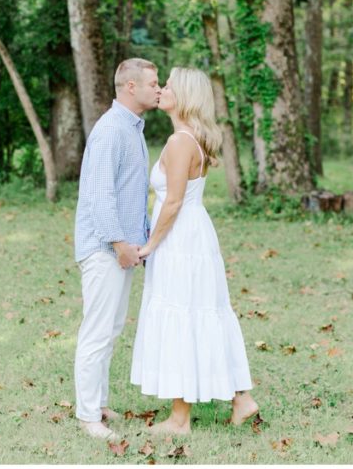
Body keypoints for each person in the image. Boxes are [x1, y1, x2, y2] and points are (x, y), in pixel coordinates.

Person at [130, 67, 258, 434]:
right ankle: (241, 398)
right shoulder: (192, 137)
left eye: (168, 85)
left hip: (179, 239)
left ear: (183, 96)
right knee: (205, 312)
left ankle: (180, 418)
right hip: (195, 234)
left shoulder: (179, 142)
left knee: (182, 315)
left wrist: (150, 245)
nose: (162, 90)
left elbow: (171, 203)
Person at [73, 58, 160, 440]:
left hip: (123, 247)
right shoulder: (111, 130)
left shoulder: (132, 128)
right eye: (153, 83)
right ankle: (88, 416)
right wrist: (120, 243)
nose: (158, 89)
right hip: (105, 247)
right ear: (130, 87)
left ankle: (100, 403)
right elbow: (99, 195)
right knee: (96, 331)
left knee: (110, 329)